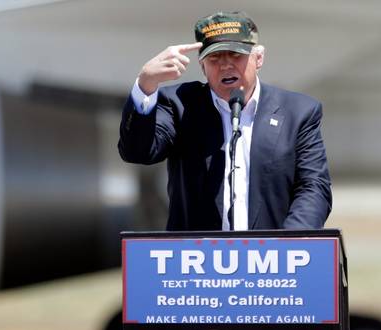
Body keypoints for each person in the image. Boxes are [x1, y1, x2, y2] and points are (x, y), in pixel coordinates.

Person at [118, 11, 332, 231]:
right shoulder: (179, 104)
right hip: (196, 258)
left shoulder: (298, 112)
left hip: (271, 258)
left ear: (258, 58)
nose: (225, 65)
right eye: (215, 57)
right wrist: (146, 84)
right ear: (202, 66)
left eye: (235, 55)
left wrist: (288, 244)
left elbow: (313, 187)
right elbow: (137, 152)